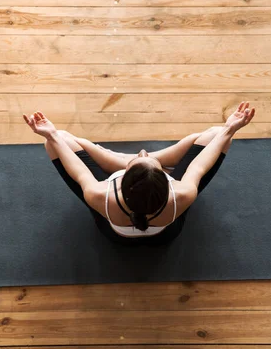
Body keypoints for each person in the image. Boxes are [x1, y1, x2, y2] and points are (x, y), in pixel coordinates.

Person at [23, 101, 256, 246]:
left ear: (121, 179)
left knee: (59, 140)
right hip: (166, 234)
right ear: (167, 182)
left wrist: (50, 135)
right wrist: (229, 129)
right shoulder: (183, 194)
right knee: (217, 134)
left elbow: (79, 171)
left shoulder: (99, 194)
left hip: (115, 235)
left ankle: (126, 159)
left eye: (140, 159)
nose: (143, 151)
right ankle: (148, 160)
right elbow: (199, 167)